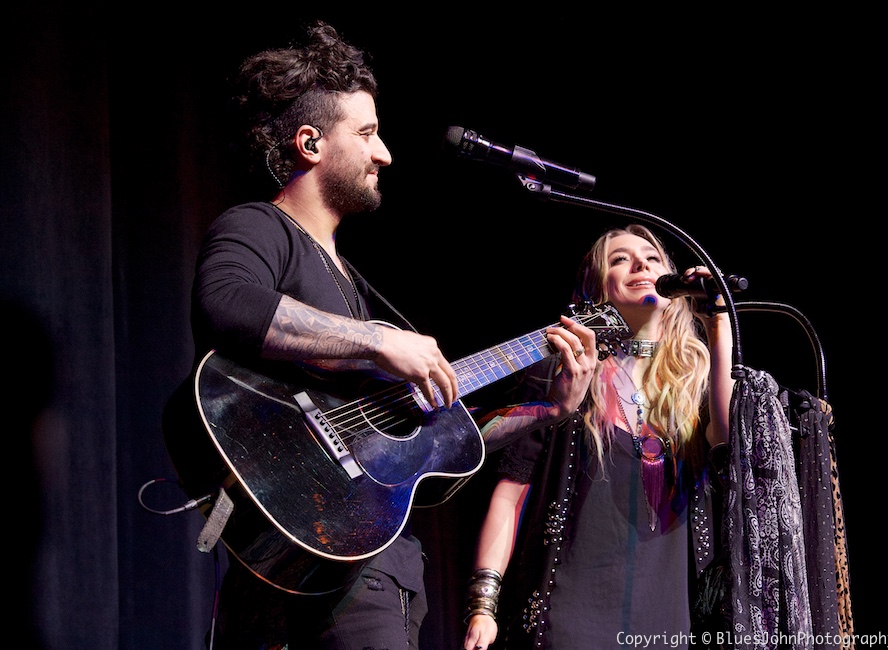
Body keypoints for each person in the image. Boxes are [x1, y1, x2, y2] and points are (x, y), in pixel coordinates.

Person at [162, 19, 597, 649]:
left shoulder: (357, 287)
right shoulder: (261, 226)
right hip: (320, 571)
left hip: (374, 569)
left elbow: (441, 447)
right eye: (366, 133)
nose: (385, 153)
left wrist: (549, 411)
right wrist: (378, 341)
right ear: (310, 143)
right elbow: (225, 302)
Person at [462, 223, 735, 650]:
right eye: (620, 259)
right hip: (569, 620)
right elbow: (511, 493)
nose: (641, 264)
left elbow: (727, 442)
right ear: (596, 290)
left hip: (666, 624)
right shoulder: (563, 374)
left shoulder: (696, 383)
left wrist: (719, 325)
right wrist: (483, 605)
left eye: (653, 258)